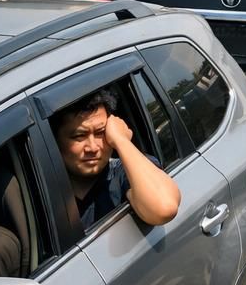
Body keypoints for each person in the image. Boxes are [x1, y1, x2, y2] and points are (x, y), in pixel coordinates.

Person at [51, 89, 180, 230]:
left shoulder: (123, 173)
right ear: (54, 141)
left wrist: (120, 140)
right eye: (79, 136)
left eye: (101, 133)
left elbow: (164, 208)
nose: (93, 147)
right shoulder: (43, 190)